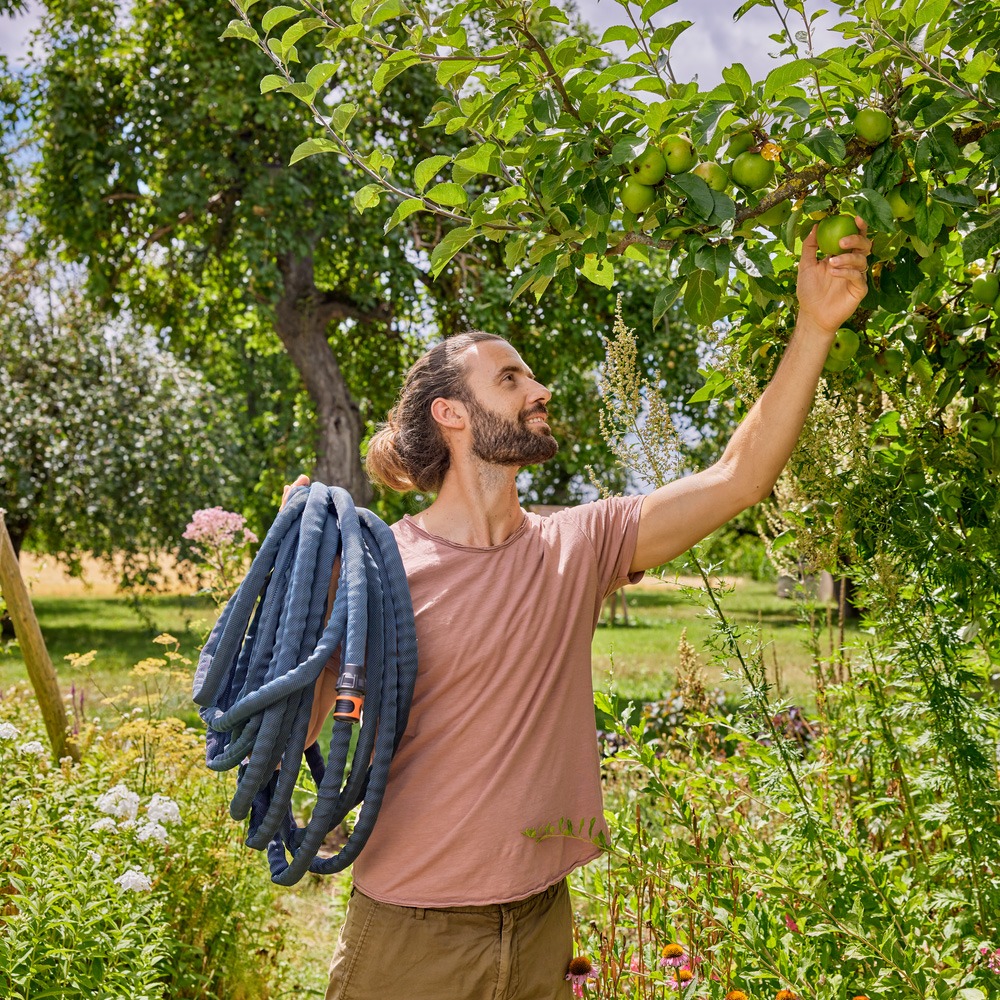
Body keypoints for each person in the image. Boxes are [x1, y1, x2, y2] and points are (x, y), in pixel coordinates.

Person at [284, 220, 871, 1000]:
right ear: (451, 415)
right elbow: (291, 735)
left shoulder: (579, 544)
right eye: (510, 379)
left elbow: (739, 477)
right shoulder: (376, 568)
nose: (540, 391)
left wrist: (814, 325)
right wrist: (301, 600)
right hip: (410, 936)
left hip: (541, 926)